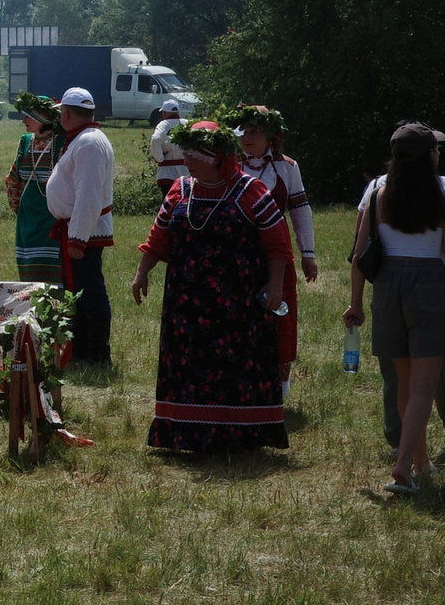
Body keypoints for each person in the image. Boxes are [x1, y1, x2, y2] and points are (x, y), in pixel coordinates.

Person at [130, 120, 291, 458]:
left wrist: (275, 285)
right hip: (186, 305)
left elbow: (277, 243)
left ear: (217, 157)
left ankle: (240, 435)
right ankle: (184, 433)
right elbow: (159, 238)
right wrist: (141, 273)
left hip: (238, 305)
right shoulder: (180, 190)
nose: (187, 162)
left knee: (235, 368)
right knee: (189, 366)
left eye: (194, 157)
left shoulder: (250, 191)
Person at [343, 122, 445, 495]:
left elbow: (360, 257)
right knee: (424, 386)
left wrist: (355, 303)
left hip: (388, 288)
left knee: (404, 384)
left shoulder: (377, 196)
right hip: (430, 289)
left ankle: (420, 461)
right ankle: (403, 468)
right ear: (430, 157)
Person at [232, 107, 319, 401]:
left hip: (277, 256)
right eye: (243, 130)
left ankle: (278, 394)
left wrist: (308, 253)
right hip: (239, 256)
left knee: (280, 319)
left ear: (271, 136)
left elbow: (300, 208)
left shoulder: (286, 167)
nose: (246, 136)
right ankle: (240, 387)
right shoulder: (229, 165)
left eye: (254, 131)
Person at [42, 88, 116, 364]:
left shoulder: (88, 143)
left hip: (83, 230)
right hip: (77, 227)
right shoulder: (83, 139)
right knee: (79, 293)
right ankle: (82, 348)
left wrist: (78, 237)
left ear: (67, 113)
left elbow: (88, 194)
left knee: (90, 292)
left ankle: (97, 352)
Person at [3, 94, 68, 286]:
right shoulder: (25, 142)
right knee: (30, 276)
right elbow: (13, 180)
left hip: (53, 220)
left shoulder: (62, 143)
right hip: (28, 221)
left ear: (44, 118)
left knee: (55, 275)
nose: (23, 120)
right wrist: (20, 209)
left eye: (28, 116)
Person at [149, 99, 189, 189]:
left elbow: (155, 139)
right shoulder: (187, 123)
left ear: (164, 113)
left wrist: (159, 158)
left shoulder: (163, 124)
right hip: (186, 171)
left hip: (167, 173)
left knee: (168, 201)